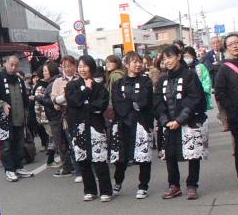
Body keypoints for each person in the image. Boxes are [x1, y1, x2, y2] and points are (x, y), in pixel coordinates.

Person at [155, 45, 208, 200]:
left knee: (192, 155)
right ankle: (174, 185)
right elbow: (157, 101)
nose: (167, 61)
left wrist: (180, 119)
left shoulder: (190, 75)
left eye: (170, 57)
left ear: (178, 56)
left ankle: (192, 185)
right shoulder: (163, 78)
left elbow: (195, 98)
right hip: (169, 123)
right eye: (164, 59)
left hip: (188, 121)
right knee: (170, 155)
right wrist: (165, 120)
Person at [66, 55, 114, 202]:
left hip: (96, 127)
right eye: (80, 66)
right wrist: (86, 91)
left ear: (91, 67)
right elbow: (73, 102)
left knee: (99, 161)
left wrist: (84, 105)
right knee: (83, 161)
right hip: (79, 128)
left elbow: (100, 105)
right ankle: (90, 190)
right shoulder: (72, 86)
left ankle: (106, 191)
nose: (82, 69)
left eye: (85, 66)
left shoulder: (100, 87)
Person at [111, 52, 154, 199]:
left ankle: (143, 186)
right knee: (121, 157)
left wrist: (130, 100)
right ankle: (117, 182)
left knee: (144, 157)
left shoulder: (146, 81)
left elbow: (144, 100)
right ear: (127, 64)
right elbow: (117, 102)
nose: (138, 64)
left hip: (141, 122)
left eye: (139, 62)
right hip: (123, 123)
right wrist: (131, 103)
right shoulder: (118, 83)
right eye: (134, 62)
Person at [213, 33, 238, 188]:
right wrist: (231, 107)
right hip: (236, 112)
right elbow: (220, 91)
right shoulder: (224, 67)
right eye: (231, 44)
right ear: (226, 48)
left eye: (237, 42)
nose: (235, 46)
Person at [0, 55, 34, 182]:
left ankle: (19, 167)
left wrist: (28, 105)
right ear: (6, 64)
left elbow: (25, 99)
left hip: (19, 117)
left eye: (16, 65)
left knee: (19, 144)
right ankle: (9, 169)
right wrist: (2, 104)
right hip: (4, 120)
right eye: (11, 65)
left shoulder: (19, 80)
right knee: (6, 146)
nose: (14, 67)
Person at [51, 55, 78, 179]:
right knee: (71, 143)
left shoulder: (79, 79)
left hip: (80, 113)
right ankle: (77, 170)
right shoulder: (58, 81)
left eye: (70, 66)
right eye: (64, 66)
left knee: (82, 143)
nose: (67, 69)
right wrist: (61, 98)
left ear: (75, 66)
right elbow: (54, 99)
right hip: (66, 116)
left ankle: (85, 170)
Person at [34, 62, 60, 166]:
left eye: (46, 71)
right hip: (47, 117)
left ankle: (51, 159)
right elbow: (38, 105)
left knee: (53, 138)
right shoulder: (41, 87)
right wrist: (39, 118)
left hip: (50, 116)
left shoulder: (51, 83)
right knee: (54, 137)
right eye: (43, 71)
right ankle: (51, 159)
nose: (44, 73)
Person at [203, 36, 228, 130]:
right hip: (216, 83)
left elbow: (227, 63)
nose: (216, 44)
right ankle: (225, 124)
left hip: (228, 81)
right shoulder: (208, 55)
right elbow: (209, 67)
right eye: (213, 43)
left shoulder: (226, 52)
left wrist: (219, 65)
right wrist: (219, 65)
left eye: (217, 42)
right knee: (220, 103)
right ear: (211, 45)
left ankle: (230, 121)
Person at [183, 46, 213, 111]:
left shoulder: (200, 66)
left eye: (188, 56)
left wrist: (203, 91)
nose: (186, 58)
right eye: (184, 57)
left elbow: (206, 80)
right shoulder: (182, 69)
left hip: (200, 95)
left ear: (193, 56)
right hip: (186, 97)